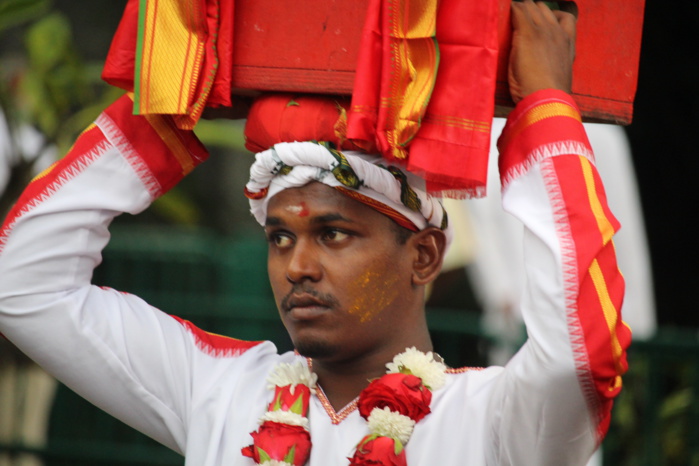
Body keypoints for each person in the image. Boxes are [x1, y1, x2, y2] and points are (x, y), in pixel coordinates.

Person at [0, 1, 630, 465]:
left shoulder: (494, 422)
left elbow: (579, 355)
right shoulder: (219, 392)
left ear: (424, 255)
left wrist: (545, 105)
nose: (297, 265)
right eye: (279, 238)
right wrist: (170, 110)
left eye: (332, 234)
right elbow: (23, 285)